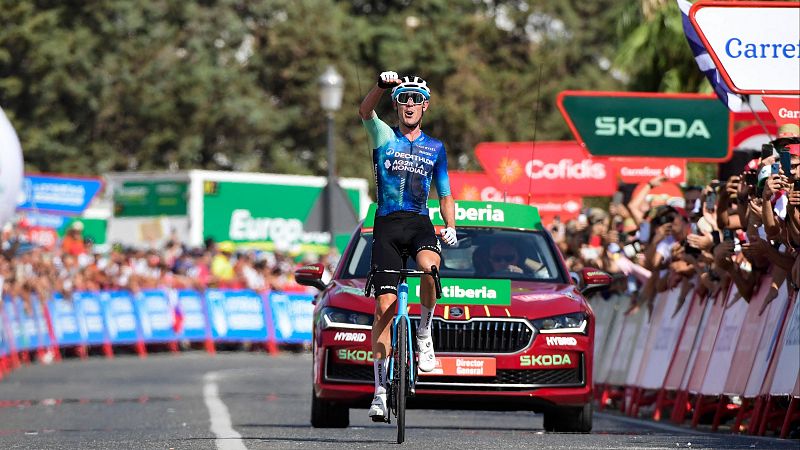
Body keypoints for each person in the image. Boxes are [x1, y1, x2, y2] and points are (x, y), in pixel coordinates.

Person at [358, 71, 457, 421]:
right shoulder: (383, 134)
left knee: (431, 269)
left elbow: (444, 194)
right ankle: (381, 390)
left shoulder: (435, 148)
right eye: (403, 99)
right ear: (397, 106)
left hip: (418, 223)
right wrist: (381, 87)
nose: (410, 104)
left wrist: (451, 226)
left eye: (416, 99)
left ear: (425, 106)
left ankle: (425, 331)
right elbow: (365, 111)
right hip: (386, 223)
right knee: (384, 306)